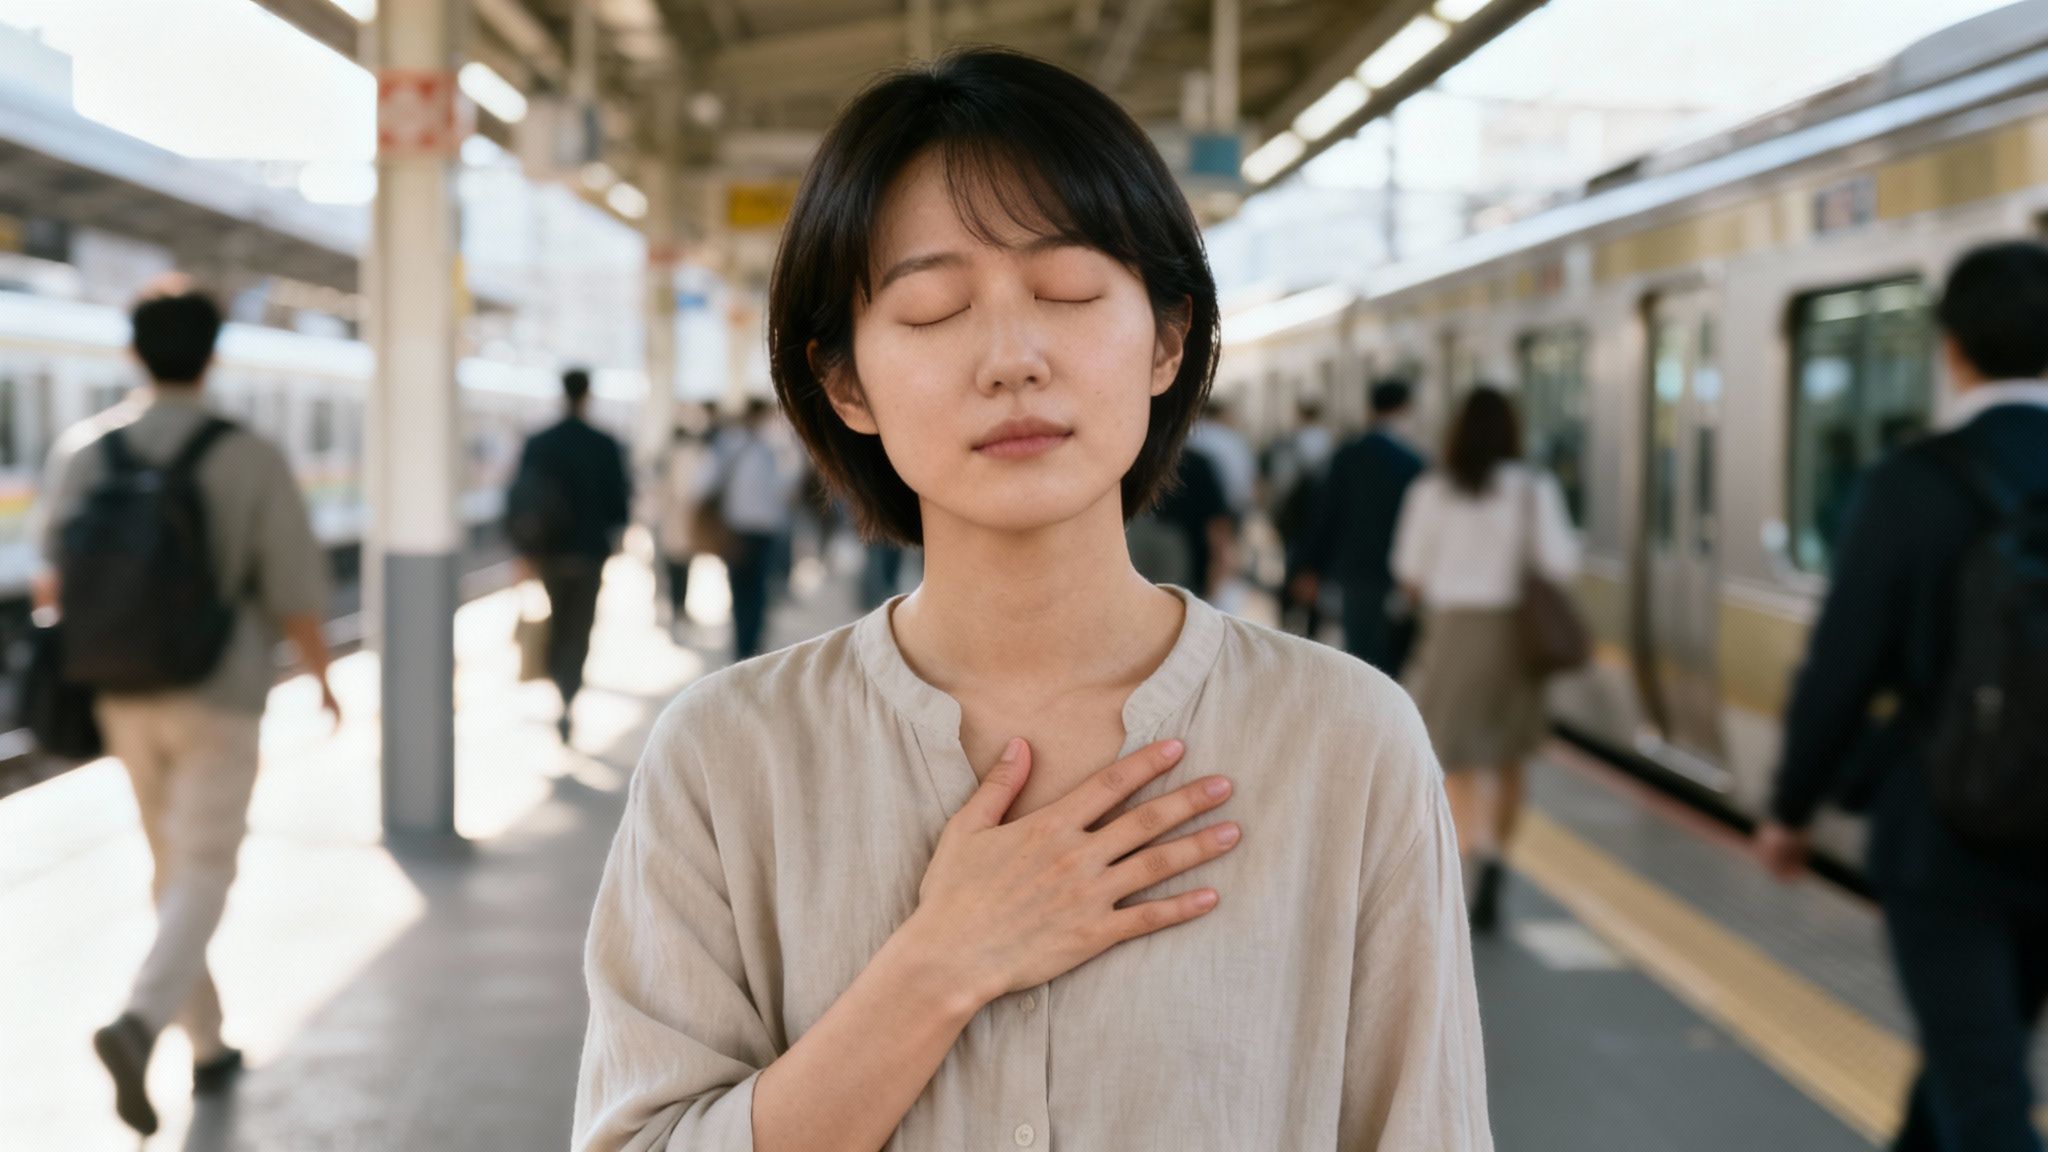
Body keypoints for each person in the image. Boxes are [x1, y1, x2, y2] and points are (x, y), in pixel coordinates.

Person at [574, 49, 1488, 1152]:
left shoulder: (1346, 742)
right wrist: (938, 963)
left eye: (1064, 294)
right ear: (845, 384)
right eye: (929, 310)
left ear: (1164, 338)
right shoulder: (725, 758)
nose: (1010, 358)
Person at [1754, 241, 2048, 1152]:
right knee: (1974, 1057)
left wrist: (1791, 807)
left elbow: (1843, 667)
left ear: (1950, 347)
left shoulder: (1908, 484)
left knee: (1982, 1089)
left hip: (1944, 833)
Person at [32, 282, 337, 1137]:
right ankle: (140, 1024)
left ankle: (207, 1045)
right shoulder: (246, 454)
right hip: (221, 691)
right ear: (213, 356)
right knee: (203, 869)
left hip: (121, 690)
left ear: (134, 353)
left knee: (172, 867)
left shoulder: (87, 451)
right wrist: (322, 679)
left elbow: (53, 580)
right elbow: (294, 591)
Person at [1392, 385, 1579, 932]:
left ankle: (1469, 853)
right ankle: (1497, 856)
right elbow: (1561, 562)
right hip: (1512, 637)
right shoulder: (1532, 489)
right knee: (1510, 755)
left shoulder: (1432, 490)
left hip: (1451, 632)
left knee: (1455, 754)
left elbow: (1408, 569)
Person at [509, 368, 632, 744]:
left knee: (557, 621)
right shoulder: (604, 442)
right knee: (581, 626)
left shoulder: (540, 442)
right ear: (588, 394)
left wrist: (524, 551)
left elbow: (518, 499)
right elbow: (619, 504)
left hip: (549, 552)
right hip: (590, 552)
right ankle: (569, 694)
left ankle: (560, 688)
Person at [1290, 379, 1426, 674]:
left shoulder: (1347, 456)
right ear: (1405, 409)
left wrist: (1308, 566)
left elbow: (1324, 515)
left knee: (1361, 653)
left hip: (1354, 571)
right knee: (1394, 653)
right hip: (1399, 573)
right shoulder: (1414, 462)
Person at [700, 396, 801, 661]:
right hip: (753, 529)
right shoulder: (758, 448)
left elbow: (705, 483)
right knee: (753, 587)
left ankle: (746, 643)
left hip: (745, 528)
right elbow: (783, 488)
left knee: (745, 587)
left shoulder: (734, 445)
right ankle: (748, 643)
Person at [1266, 396, 1336, 638]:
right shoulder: (1331, 444)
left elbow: (1279, 483)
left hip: (1293, 519)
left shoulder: (1289, 444)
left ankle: (1288, 622)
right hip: (1324, 518)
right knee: (1318, 569)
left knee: (1291, 566)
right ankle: (1313, 627)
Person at [655, 404, 716, 640]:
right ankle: (677, 609)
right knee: (678, 567)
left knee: (676, 566)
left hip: (676, 520)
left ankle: (676, 609)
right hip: (680, 519)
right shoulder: (689, 455)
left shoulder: (676, 454)